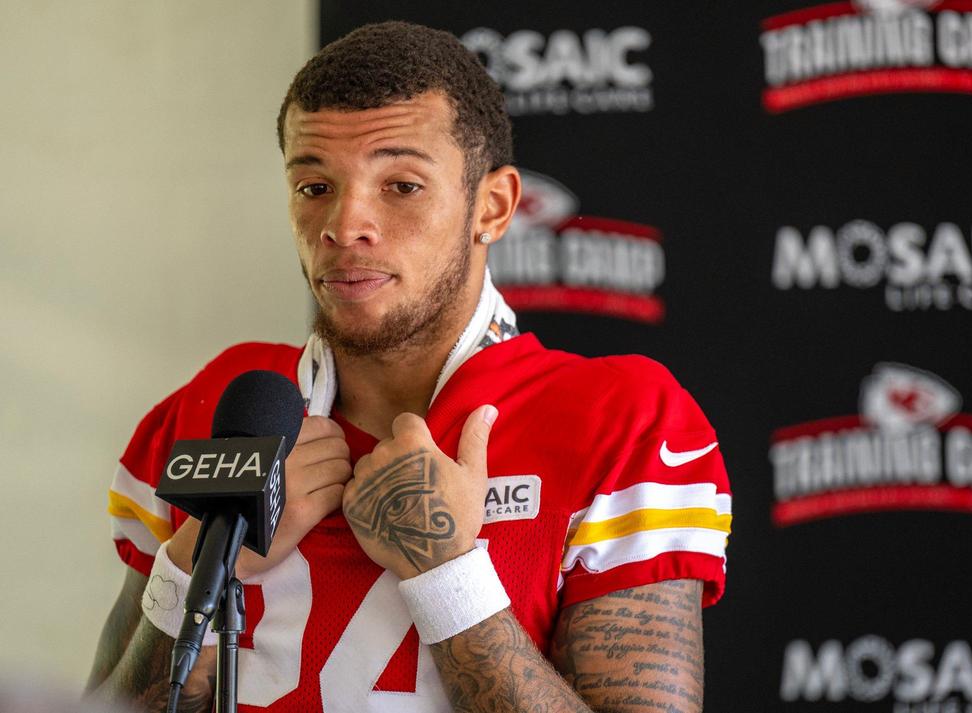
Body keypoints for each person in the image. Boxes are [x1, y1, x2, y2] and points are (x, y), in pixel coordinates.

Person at [85, 20, 731, 713]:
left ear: (494, 205)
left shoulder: (621, 418)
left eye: (400, 185)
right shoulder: (221, 404)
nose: (344, 222)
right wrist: (196, 565)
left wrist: (448, 574)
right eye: (313, 186)